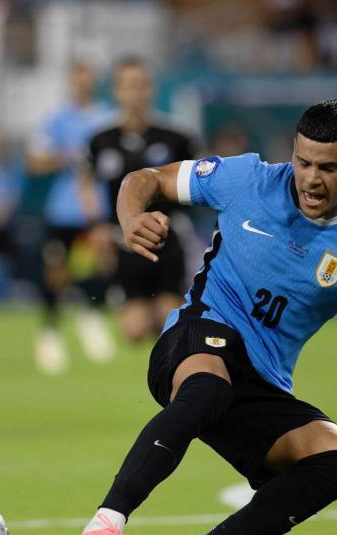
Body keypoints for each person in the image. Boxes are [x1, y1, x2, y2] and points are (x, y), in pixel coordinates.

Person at [59, 100, 337, 535]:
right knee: (208, 389)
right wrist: (129, 219)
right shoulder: (245, 178)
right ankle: (103, 528)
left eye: (328, 167)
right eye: (303, 161)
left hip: (260, 380)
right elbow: (143, 180)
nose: (309, 178)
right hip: (195, 335)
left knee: (336, 462)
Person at [82, 57, 200, 343]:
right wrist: (97, 224)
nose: (135, 93)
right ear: (116, 91)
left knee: (170, 325)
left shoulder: (177, 137)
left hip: (167, 241)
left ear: (151, 89)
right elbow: (85, 182)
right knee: (134, 331)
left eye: (141, 85)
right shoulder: (101, 139)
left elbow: (199, 183)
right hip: (123, 242)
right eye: (129, 86)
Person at [26, 61, 115, 374]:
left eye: (86, 81)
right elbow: (34, 160)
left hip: (97, 209)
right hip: (63, 210)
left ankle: (92, 318)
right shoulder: (58, 120)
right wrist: (65, 157)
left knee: (98, 268)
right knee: (57, 272)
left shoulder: (107, 118)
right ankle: (49, 331)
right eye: (77, 81)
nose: (82, 87)